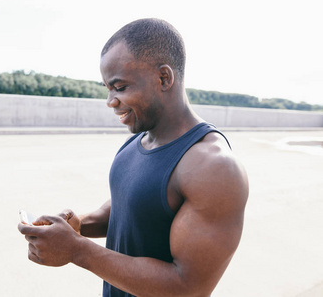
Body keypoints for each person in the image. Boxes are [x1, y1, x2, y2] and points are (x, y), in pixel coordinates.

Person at [18, 18, 249, 297]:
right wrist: (74, 225)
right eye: (107, 88)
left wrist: (76, 249)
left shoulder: (213, 167)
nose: (110, 101)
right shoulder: (137, 141)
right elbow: (127, 207)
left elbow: (187, 287)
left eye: (120, 87)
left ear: (164, 78)